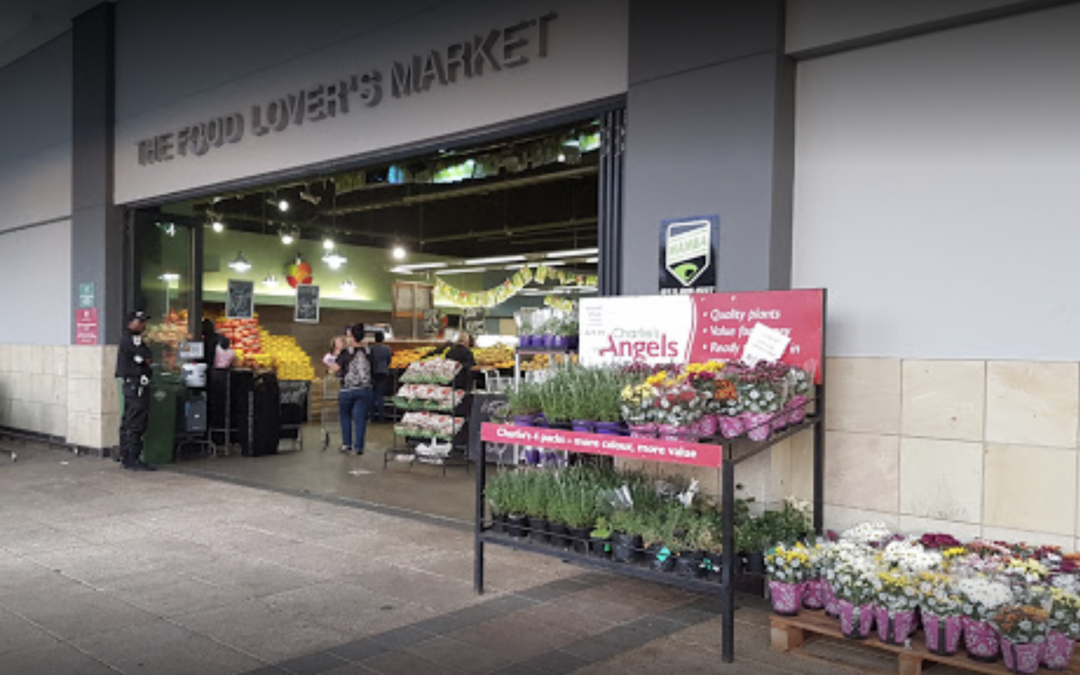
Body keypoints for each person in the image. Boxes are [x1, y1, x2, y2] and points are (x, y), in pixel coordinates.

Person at [115, 310, 157, 471]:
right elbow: (147, 357)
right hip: (136, 385)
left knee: (129, 420)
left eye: (144, 322)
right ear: (130, 323)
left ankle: (126, 455)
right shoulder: (132, 338)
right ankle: (131, 458)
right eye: (140, 322)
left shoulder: (130, 338)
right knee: (135, 421)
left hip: (132, 384)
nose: (143, 325)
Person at [330, 324, 374, 454]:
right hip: (364, 389)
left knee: (345, 416)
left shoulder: (345, 352)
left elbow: (335, 368)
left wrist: (333, 359)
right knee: (360, 419)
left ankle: (347, 444)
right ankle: (359, 447)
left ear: (352, 337)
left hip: (347, 390)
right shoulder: (369, 351)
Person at [369, 331, 393, 422]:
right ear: (383, 339)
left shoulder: (371, 348)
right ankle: (381, 416)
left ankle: (372, 415)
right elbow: (389, 360)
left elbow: (369, 360)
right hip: (383, 372)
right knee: (380, 395)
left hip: (373, 372)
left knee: (372, 394)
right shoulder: (387, 349)